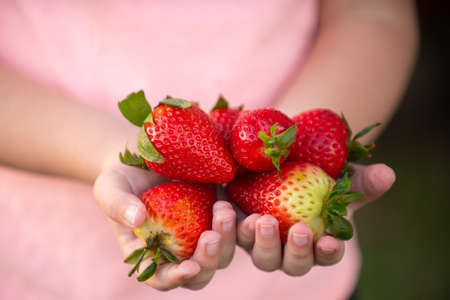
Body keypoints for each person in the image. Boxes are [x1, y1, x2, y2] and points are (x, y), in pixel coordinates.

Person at [0, 0, 417, 299]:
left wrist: (288, 154)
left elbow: (373, 11)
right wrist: (110, 150)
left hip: (288, 283)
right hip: (43, 269)